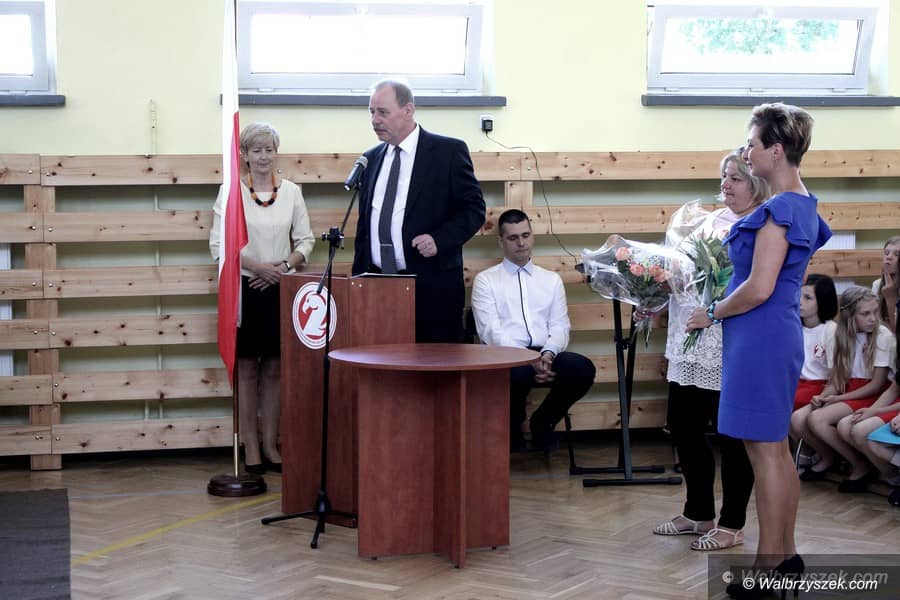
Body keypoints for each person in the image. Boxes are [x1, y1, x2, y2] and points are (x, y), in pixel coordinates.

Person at [686, 102, 831, 595]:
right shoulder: (802, 204)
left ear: (776, 150)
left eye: (752, 144)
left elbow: (759, 287)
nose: (747, 152)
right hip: (772, 335)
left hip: (761, 337)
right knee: (775, 452)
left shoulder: (780, 209)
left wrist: (712, 312)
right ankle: (784, 557)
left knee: (765, 454)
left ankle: (768, 568)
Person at [653, 150, 766, 552]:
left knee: (732, 435)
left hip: (730, 340)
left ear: (756, 183)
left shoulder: (762, 224)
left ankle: (732, 523)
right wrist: (656, 287)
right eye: (724, 176)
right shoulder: (705, 221)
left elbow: (753, 283)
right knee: (682, 425)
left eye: (735, 178)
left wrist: (714, 308)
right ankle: (698, 511)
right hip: (690, 339)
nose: (725, 185)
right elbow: (681, 271)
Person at [210, 122, 315, 474]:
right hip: (244, 289)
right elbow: (219, 245)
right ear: (244, 155)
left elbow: (306, 241)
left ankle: (271, 444)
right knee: (246, 369)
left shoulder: (292, 192)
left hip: (281, 288)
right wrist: (257, 267)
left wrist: (283, 267)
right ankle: (250, 445)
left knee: (274, 368)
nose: (263, 156)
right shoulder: (231, 193)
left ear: (276, 153)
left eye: (269, 149)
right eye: (256, 150)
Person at [351, 80, 486, 343]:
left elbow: (474, 209)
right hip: (377, 287)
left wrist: (440, 239)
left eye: (383, 112)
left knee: (432, 366)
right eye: (372, 112)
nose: (375, 120)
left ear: (408, 110)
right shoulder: (370, 158)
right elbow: (364, 227)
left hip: (431, 289)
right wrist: (358, 282)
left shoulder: (447, 152)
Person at [471, 209, 596, 453]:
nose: (521, 243)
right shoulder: (486, 280)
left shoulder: (551, 280)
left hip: (546, 353)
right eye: (513, 237)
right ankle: (512, 429)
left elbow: (560, 325)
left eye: (525, 235)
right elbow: (491, 332)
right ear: (501, 241)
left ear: (532, 236)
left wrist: (547, 355)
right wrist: (528, 359)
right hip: (506, 356)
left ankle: (543, 422)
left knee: (582, 368)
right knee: (515, 373)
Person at [800, 286, 894, 491]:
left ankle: (862, 465)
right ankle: (837, 458)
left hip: (872, 393)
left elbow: (877, 385)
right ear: (849, 316)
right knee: (802, 418)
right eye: (865, 314)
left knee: (820, 420)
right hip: (851, 390)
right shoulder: (842, 335)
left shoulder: (882, 335)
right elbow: (838, 379)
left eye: (875, 312)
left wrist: (838, 399)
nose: (873, 319)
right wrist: (824, 396)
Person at [788, 274, 838, 466]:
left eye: (808, 298)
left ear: (822, 301)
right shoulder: (795, 327)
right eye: (800, 296)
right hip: (798, 384)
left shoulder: (830, 330)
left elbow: (835, 377)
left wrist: (823, 396)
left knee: (790, 412)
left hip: (820, 387)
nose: (800, 302)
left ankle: (824, 455)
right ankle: (803, 452)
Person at [872, 235, 899, 333]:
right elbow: (876, 324)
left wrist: (891, 299)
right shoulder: (877, 284)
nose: (889, 257)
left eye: (896, 254)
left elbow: (896, 332)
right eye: (886, 253)